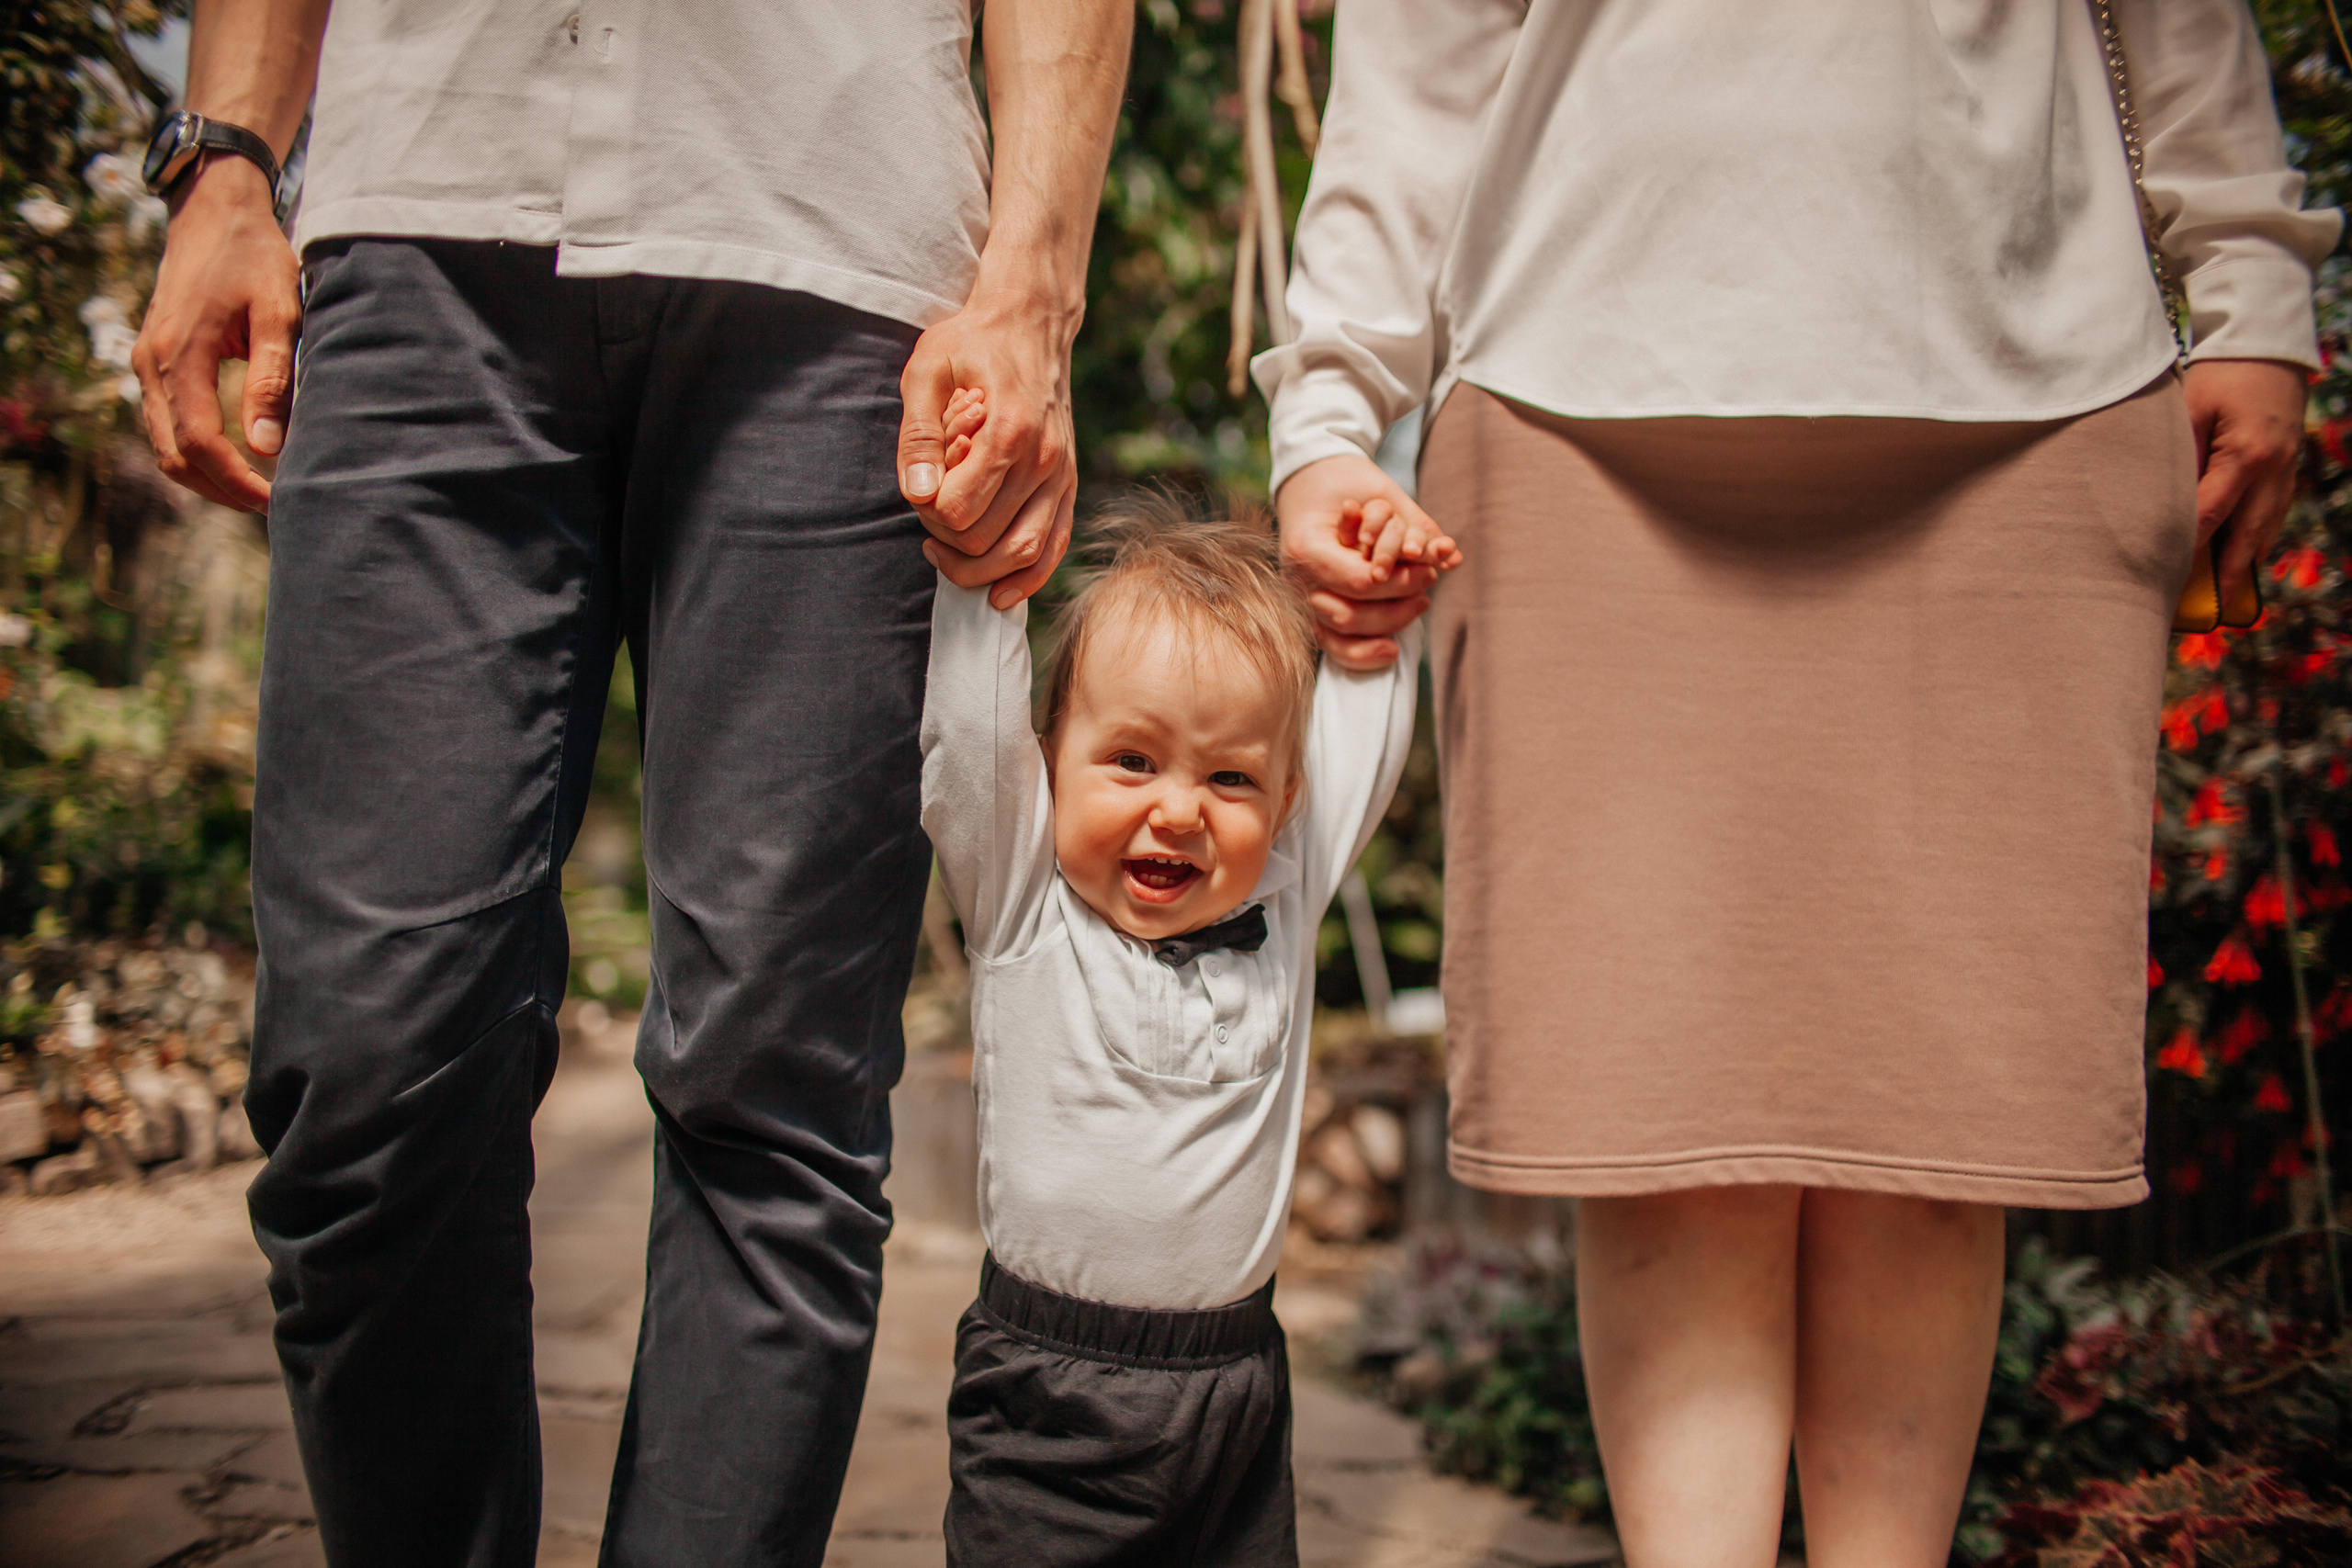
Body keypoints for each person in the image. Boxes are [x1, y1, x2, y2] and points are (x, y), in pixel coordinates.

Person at [1257, 2, 2337, 1564]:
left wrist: (2252, 286)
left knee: (1932, 1133)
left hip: (2029, 402)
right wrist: (1329, 412)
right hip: (1583, 406)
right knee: (1659, 1130)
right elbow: (1422, 42)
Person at [129, 2, 1129, 1563]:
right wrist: (226, 164)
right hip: (420, 213)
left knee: (776, 1085)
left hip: (844, 240)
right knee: (364, 1069)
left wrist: (1036, 282)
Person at [917, 487, 1456, 1564]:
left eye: (1229, 778)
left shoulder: (1282, 901)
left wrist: (1376, 608)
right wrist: (983, 567)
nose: (1178, 808)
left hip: (1237, 1389)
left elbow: (1357, 711)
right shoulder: (1024, 896)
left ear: (1286, 799)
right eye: (1131, 760)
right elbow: (966, 729)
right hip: (1051, 1394)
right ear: (1046, 759)